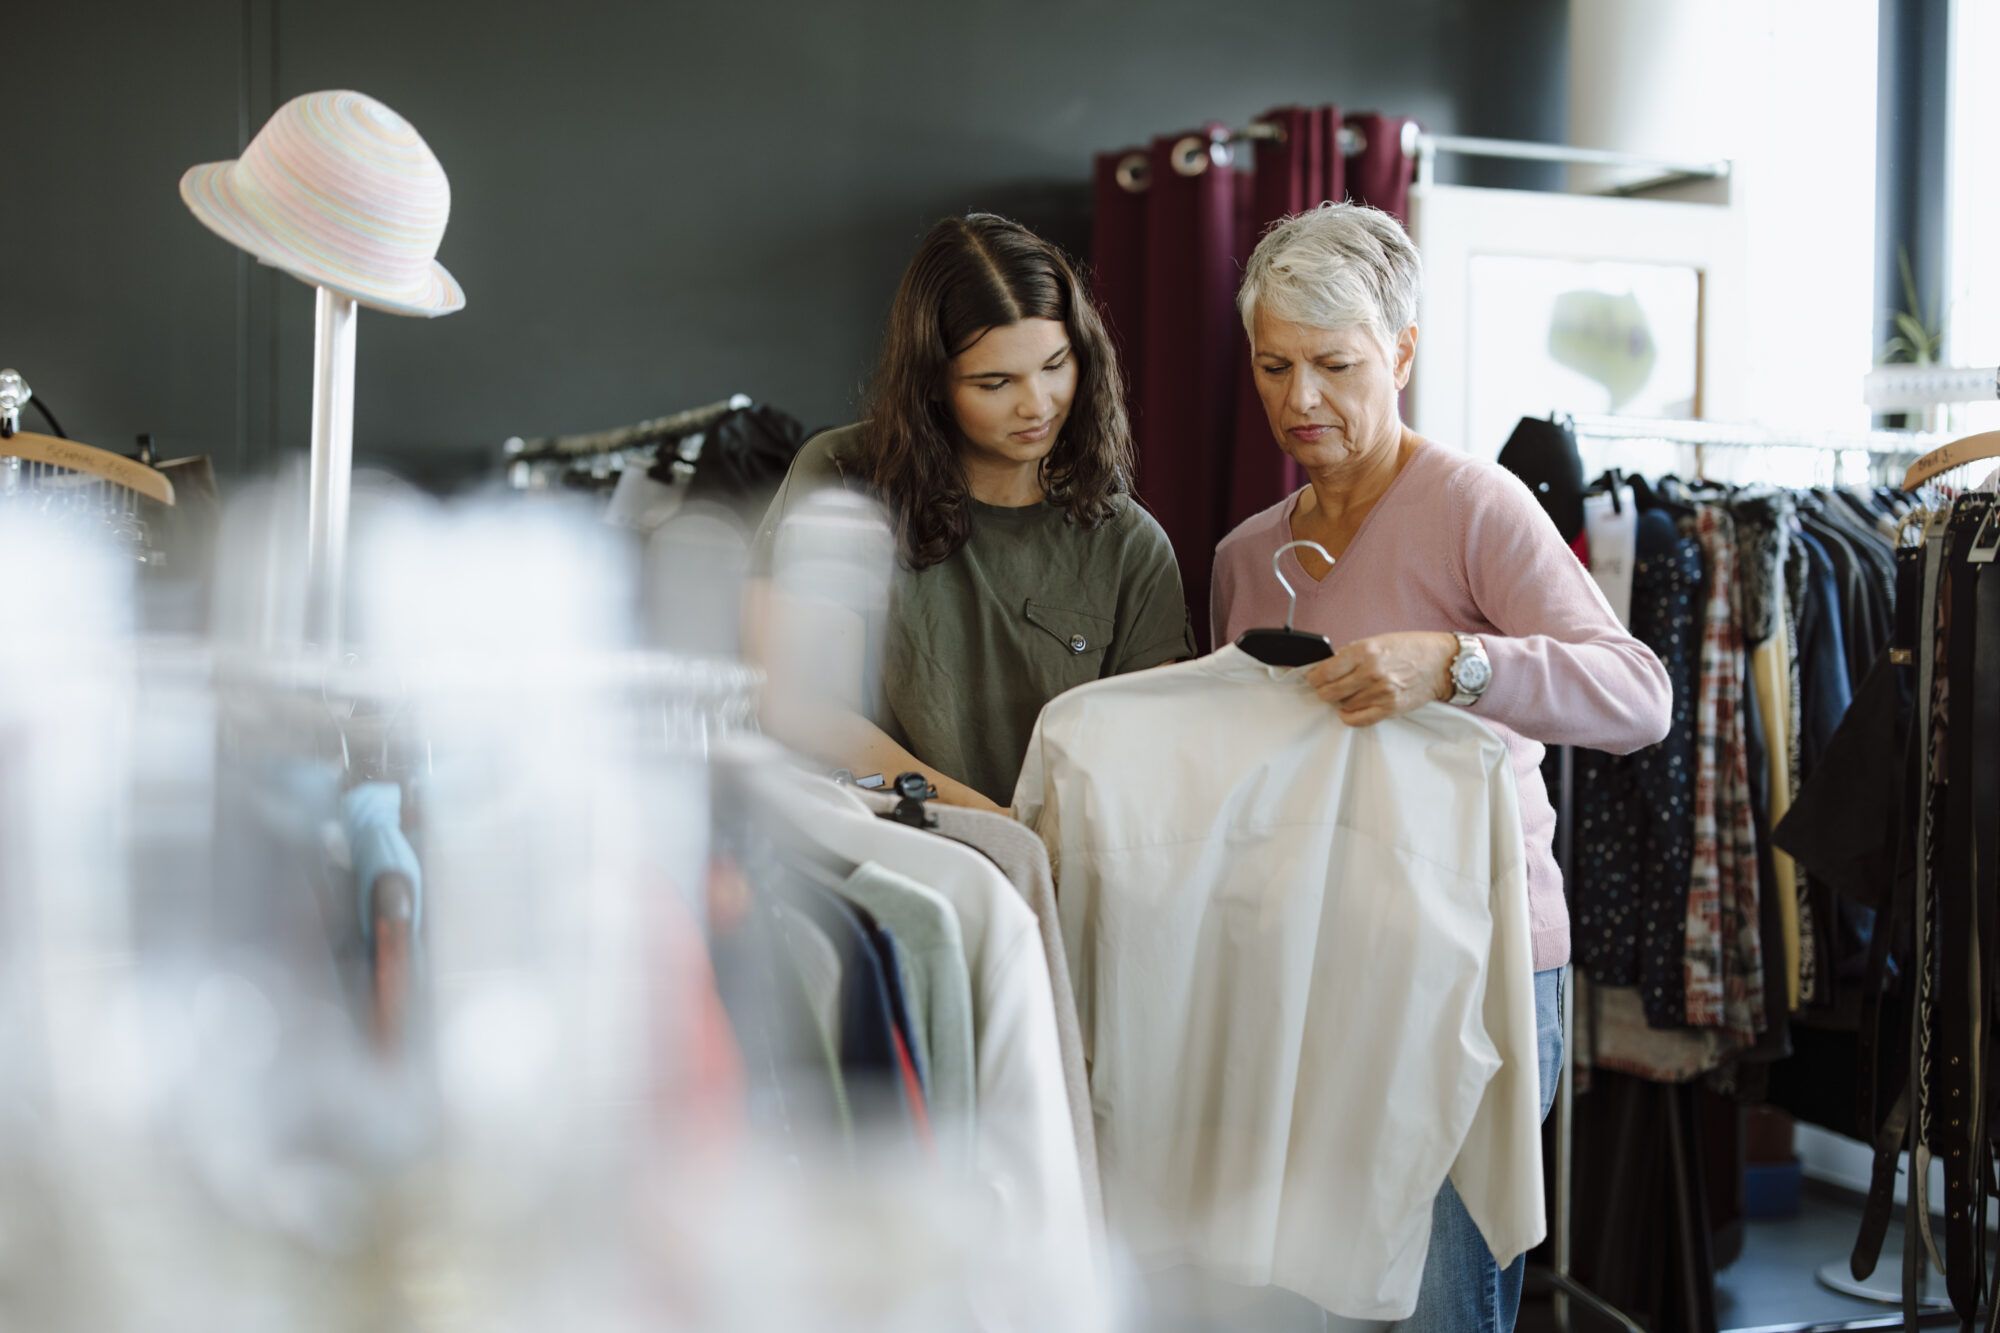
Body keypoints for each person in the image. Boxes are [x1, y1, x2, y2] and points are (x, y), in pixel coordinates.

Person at [1210, 202, 1672, 1333]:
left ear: (1402, 353)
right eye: (1273, 365)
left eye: (1333, 364)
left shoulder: (1475, 508)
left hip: (1478, 965)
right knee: (1305, 1298)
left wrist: (1456, 664)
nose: (1298, 399)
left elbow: (1636, 697)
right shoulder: (1242, 557)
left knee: (1439, 1305)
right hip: (1308, 970)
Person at [750, 213, 1193, 812]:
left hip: (1056, 876)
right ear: (933, 383)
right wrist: (991, 826)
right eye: (994, 383)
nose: (1037, 405)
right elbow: (801, 707)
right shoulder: (841, 478)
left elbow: (1147, 758)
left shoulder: (1129, 546)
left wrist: (1034, 851)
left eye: (1055, 366)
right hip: (872, 854)